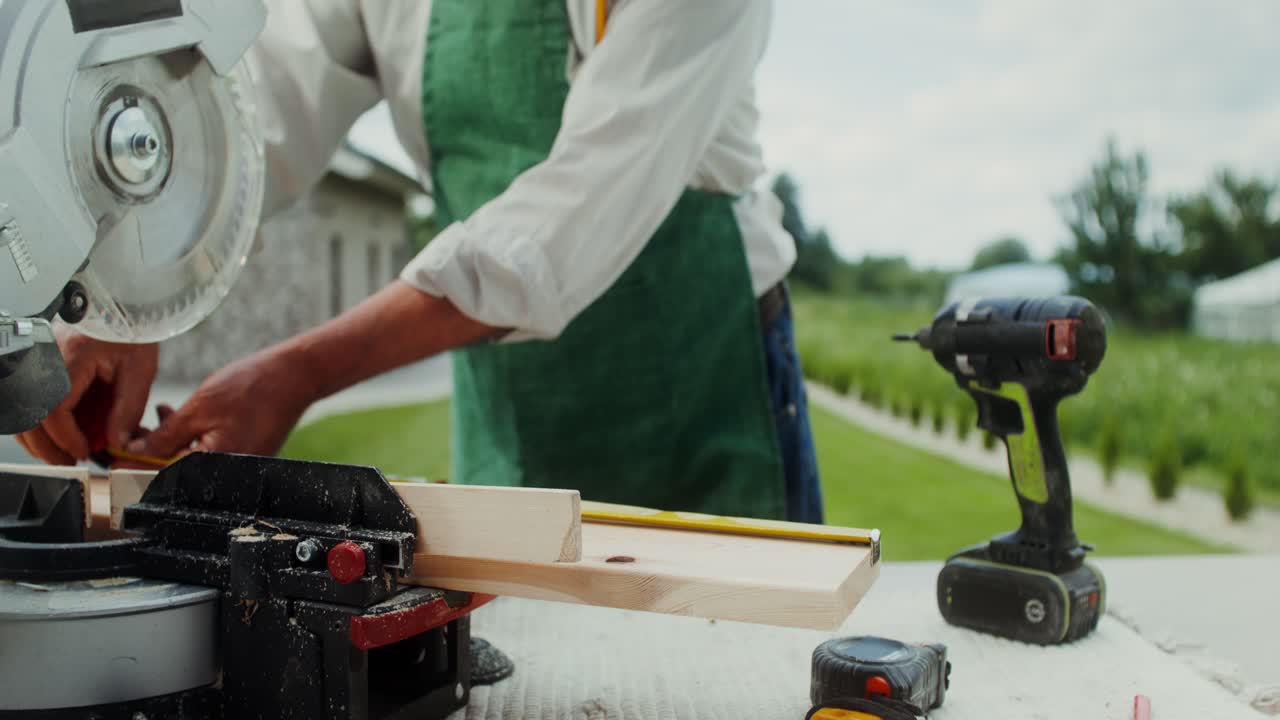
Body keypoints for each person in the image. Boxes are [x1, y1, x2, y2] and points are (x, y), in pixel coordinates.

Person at [16, 0, 824, 523]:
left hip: (699, 383)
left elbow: (567, 219)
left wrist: (297, 372)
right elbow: (258, 120)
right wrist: (119, 290)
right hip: (505, 386)